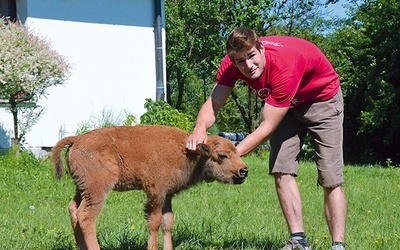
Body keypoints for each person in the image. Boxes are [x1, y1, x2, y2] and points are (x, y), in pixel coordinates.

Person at [186, 28, 347, 250]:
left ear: (261, 48)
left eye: (251, 56)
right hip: (283, 105)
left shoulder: (284, 66)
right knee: (281, 168)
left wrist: (227, 158)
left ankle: (338, 245)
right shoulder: (231, 64)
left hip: (321, 100)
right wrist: (199, 128)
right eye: (240, 61)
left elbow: (266, 128)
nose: (248, 65)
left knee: (330, 176)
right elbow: (214, 103)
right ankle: (298, 242)